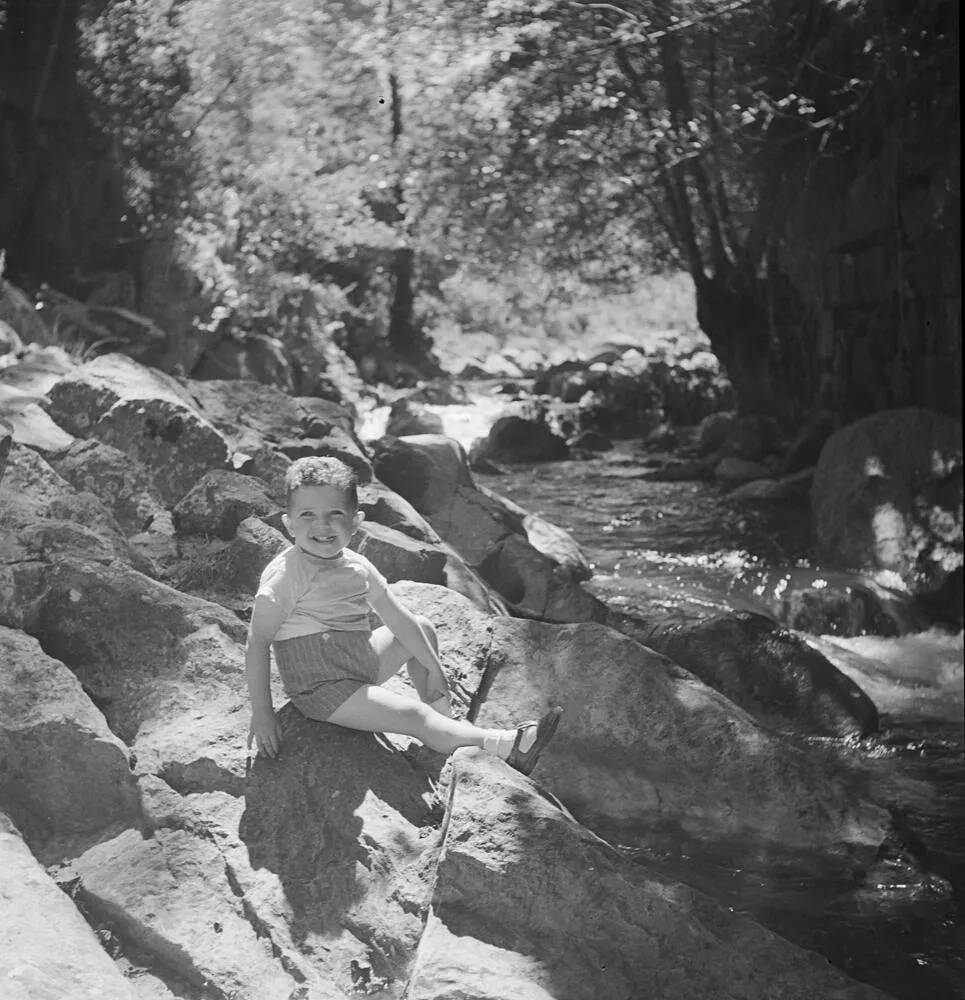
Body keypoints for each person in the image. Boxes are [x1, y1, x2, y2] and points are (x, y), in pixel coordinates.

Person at [246, 455, 562, 775]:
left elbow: (398, 619)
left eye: (335, 514)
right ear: (289, 524)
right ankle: (508, 745)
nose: (322, 525)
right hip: (322, 688)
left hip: (359, 662)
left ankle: (445, 725)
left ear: (356, 522)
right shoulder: (286, 575)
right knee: (412, 716)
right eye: (307, 515)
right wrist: (262, 711)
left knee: (422, 629)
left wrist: (434, 669)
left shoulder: (356, 565)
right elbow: (257, 642)